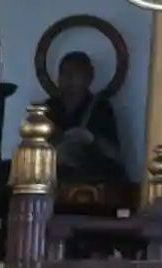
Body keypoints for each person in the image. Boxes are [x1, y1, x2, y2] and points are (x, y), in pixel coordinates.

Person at [45, 50, 127, 185]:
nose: (69, 79)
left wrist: (92, 139)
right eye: (64, 74)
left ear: (89, 78)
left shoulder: (100, 108)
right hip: (54, 174)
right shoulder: (49, 107)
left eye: (76, 74)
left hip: (89, 175)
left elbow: (116, 155)